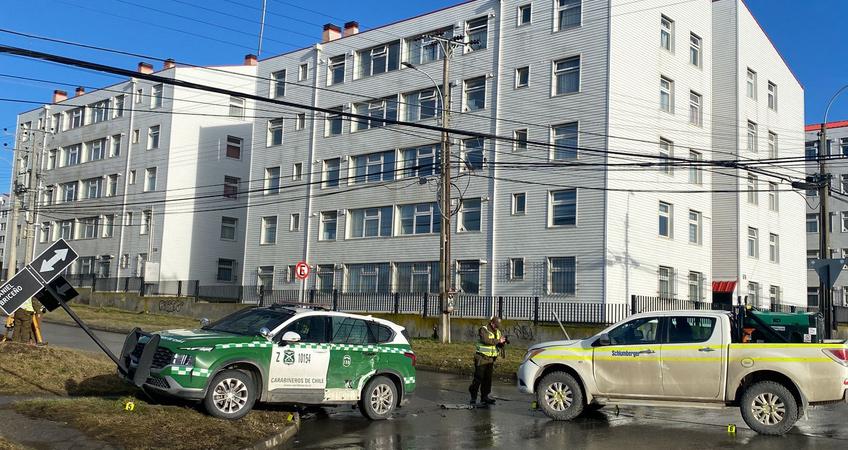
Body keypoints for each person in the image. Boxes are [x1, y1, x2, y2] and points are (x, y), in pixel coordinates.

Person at [469, 317, 506, 405]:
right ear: (492, 323)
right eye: (496, 325)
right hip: (481, 357)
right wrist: (498, 340)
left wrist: (502, 342)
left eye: (498, 326)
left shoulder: (498, 332)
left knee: (487, 379)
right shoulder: (483, 329)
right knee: (478, 378)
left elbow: (497, 345)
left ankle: (484, 397)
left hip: (491, 359)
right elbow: (486, 340)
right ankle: (473, 397)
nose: (497, 327)